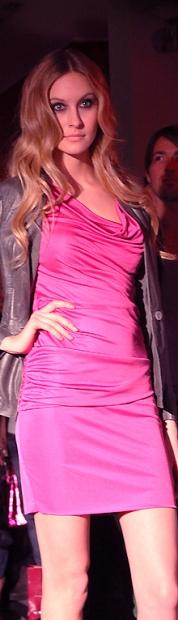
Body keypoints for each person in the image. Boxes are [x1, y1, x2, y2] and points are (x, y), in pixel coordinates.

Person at [0, 48, 178, 620]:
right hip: (57, 401)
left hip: (134, 402)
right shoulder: (21, 194)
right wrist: (5, 337)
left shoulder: (132, 200)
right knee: (68, 589)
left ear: (102, 107)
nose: (74, 119)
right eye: (59, 106)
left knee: (165, 597)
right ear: (41, 113)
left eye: (85, 103)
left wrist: (166, 410)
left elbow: (151, 320)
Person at [145, 125, 178, 408]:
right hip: (155, 389)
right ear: (147, 173)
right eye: (160, 157)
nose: (169, 167)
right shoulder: (134, 238)